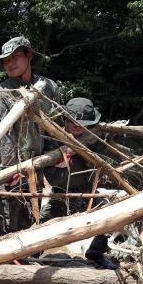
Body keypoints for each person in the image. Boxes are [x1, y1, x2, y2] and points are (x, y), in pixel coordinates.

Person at [0, 36, 61, 235]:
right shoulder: (0, 93)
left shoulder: (49, 87)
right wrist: (7, 168)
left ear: (29, 56)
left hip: (37, 165)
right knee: (7, 223)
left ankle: (25, 263)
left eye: (16, 57)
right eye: (6, 60)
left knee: (30, 218)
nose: (10, 63)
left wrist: (53, 160)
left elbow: (56, 127)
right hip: (8, 169)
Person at [40, 97, 117, 269]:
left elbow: (104, 160)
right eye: (72, 122)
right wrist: (75, 149)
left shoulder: (95, 136)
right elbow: (52, 170)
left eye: (82, 123)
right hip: (62, 193)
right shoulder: (53, 136)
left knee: (112, 215)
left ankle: (96, 252)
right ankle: (26, 258)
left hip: (87, 191)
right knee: (42, 229)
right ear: (65, 119)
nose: (76, 126)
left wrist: (93, 140)